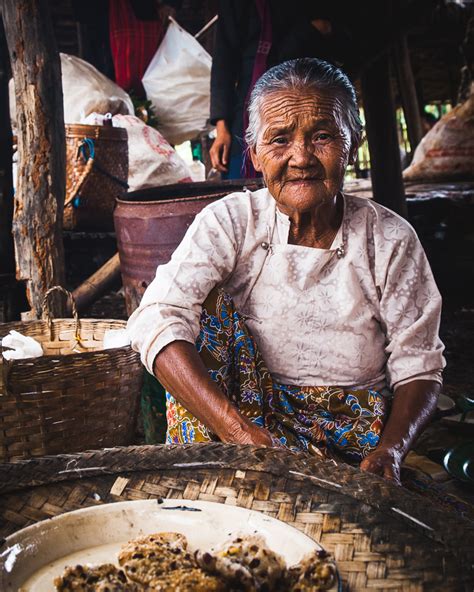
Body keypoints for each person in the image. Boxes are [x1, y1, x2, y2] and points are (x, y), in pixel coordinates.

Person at [128, 58, 445, 484]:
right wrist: (238, 432)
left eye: (322, 136)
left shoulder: (389, 238)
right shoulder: (231, 221)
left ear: (353, 144)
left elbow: (419, 365)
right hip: (237, 432)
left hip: (352, 442)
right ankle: (216, 480)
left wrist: (390, 452)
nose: (301, 158)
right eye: (279, 139)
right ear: (255, 153)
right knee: (199, 313)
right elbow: (156, 318)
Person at [209, 1, 351, 178]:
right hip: (250, 101)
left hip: (313, 90)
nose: (300, 160)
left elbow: (347, 40)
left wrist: (321, 30)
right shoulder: (237, 5)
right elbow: (224, 64)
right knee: (243, 177)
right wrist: (222, 129)